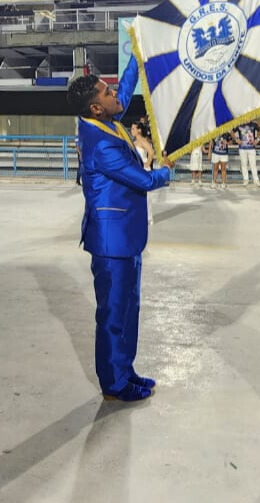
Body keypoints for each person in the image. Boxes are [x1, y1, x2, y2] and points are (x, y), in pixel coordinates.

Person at [67, 74, 174, 402]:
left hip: (125, 235)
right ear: (97, 107)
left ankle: (125, 370)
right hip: (111, 242)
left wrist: (135, 50)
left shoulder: (103, 121)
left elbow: (125, 92)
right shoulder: (101, 143)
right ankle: (114, 384)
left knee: (129, 308)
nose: (118, 96)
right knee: (114, 314)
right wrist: (167, 169)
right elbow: (142, 180)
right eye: (108, 92)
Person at [131, 120, 155, 224]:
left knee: (147, 194)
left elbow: (151, 152)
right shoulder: (133, 142)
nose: (132, 131)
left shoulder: (143, 141)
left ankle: (149, 216)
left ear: (139, 130)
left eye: (133, 129)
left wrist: (148, 163)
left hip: (144, 169)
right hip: (136, 169)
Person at [232, 120, 260, 186]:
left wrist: (257, 140)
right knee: (244, 164)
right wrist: (236, 139)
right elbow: (231, 131)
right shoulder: (239, 124)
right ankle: (246, 179)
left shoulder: (254, 124)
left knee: (253, 164)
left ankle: (256, 180)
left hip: (251, 148)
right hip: (242, 148)